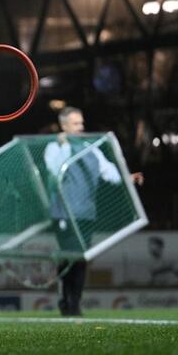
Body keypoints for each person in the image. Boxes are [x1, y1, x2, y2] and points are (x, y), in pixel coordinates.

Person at [43, 106, 143, 317]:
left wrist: (127, 178)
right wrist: (65, 147)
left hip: (86, 213)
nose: (81, 127)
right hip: (63, 213)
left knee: (81, 257)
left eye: (81, 123)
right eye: (76, 123)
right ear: (64, 126)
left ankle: (74, 302)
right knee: (69, 256)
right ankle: (67, 299)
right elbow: (56, 169)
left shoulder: (91, 147)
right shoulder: (54, 147)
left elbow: (109, 172)